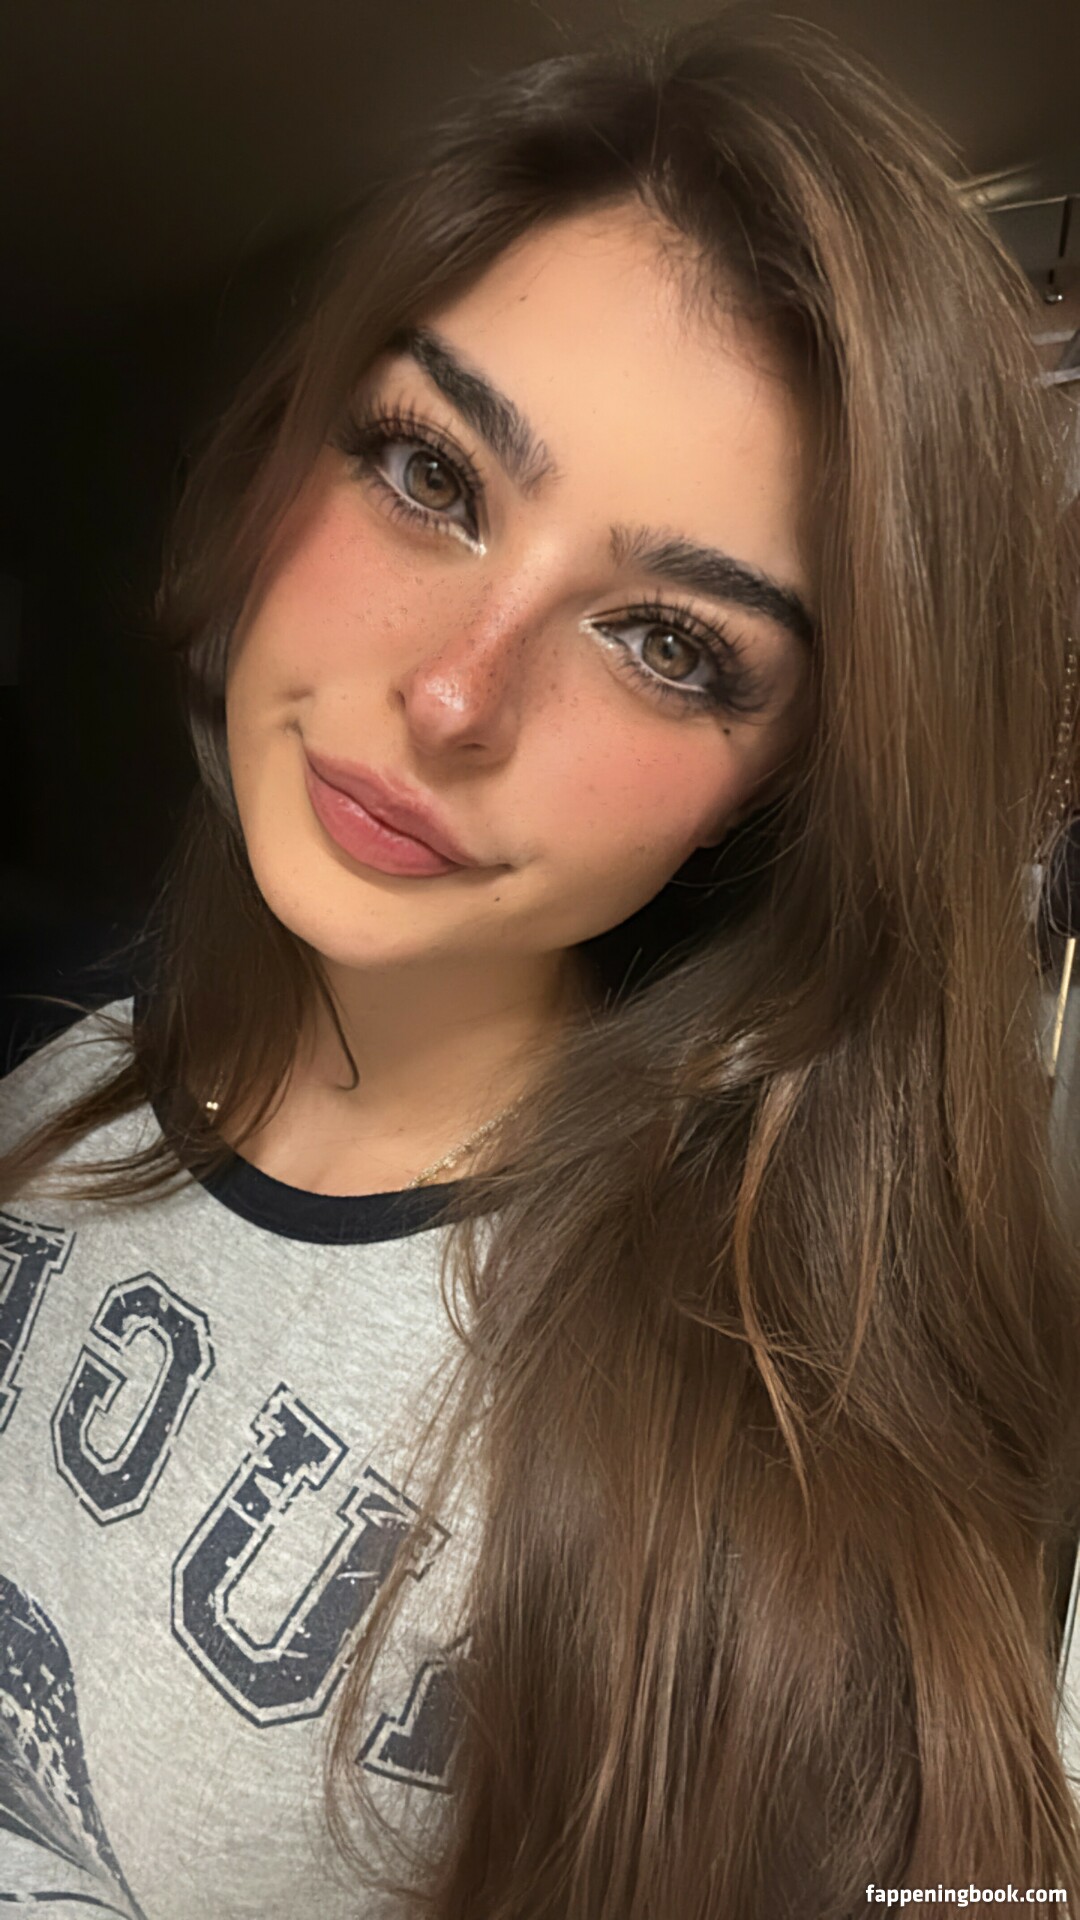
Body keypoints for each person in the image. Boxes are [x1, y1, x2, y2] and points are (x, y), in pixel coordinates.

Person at [2, 8, 1079, 1916]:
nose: (453, 694)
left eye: (670, 642)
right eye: (431, 473)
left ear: (774, 789)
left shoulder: (733, 1477)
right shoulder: (59, 1088)